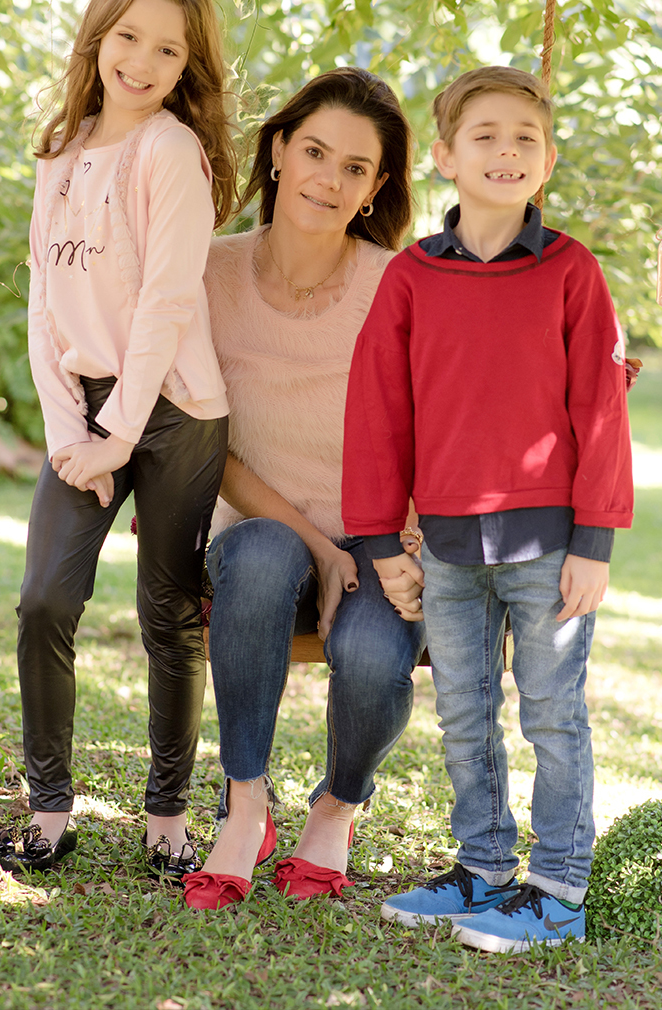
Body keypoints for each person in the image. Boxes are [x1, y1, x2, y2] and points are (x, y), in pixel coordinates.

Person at [342, 66, 634, 952]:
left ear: (547, 159)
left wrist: (595, 540)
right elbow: (377, 409)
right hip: (448, 546)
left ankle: (557, 890)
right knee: (465, 712)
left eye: (525, 138)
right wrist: (376, 539)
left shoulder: (572, 271)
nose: (506, 152)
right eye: (486, 136)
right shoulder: (412, 276)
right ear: (444, 157)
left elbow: (602, 409)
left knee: (551, 712)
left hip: (551, 547)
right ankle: (483, 868)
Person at [0, 0, 235, 878]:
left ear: (187, 68)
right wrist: (71, 435)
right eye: (128, 37)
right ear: (99, 34)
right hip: (89, 411)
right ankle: (50, 802)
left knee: (168, 613)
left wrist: (117, 439)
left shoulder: (171, 151)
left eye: (168, 52)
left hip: (172, 410)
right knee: (44, 598)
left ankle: (168, 813)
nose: (142, 62)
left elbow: (166, 307)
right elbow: (44, 307)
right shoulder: (60, 150)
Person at [181, 67, 427, 911]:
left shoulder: (400, 284)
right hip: (261, 524)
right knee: (256, 560)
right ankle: (246, 806)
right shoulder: (208, 275)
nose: (329, 177)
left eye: (355, 167)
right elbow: (202, 443)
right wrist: (318, 548)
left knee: (369, 653)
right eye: (315, 151)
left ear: (375, 188)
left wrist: (397, 544)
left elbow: (443, 424)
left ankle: (337, 806)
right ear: (280, 151)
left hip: (384, 530)